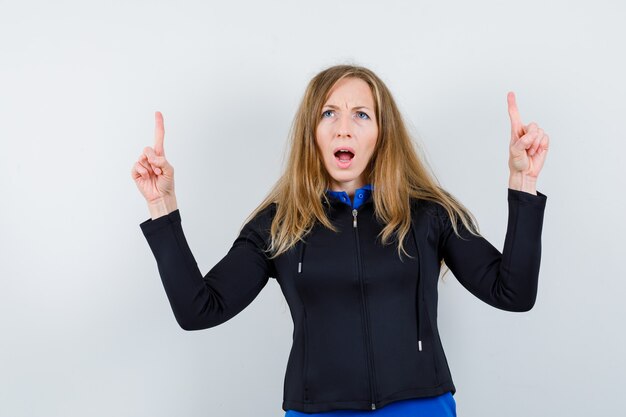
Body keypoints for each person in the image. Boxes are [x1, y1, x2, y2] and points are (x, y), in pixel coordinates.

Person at [131, 64, 549, 416]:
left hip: (420, 404)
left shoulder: (427, 214)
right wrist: (162, 206)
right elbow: (199, 310)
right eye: (329, 113)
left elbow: (512, 292)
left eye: (361, 115)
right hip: (317, 410)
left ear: (382, 134)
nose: (344, 128)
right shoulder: (278, 224)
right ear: (312, 131)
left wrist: (522, 181)